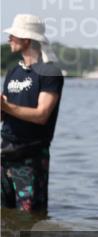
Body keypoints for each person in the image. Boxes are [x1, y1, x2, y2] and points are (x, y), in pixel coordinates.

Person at [1, 14, 64, 214]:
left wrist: (5, 107)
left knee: (31, 218)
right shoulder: (13, 72)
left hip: (31, 158)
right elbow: (5, 114)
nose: (9, 39)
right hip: (5, 154)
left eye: (13, 35)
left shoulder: (49, 72)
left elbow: (41, 114)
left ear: (26, 39)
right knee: (4, 216)